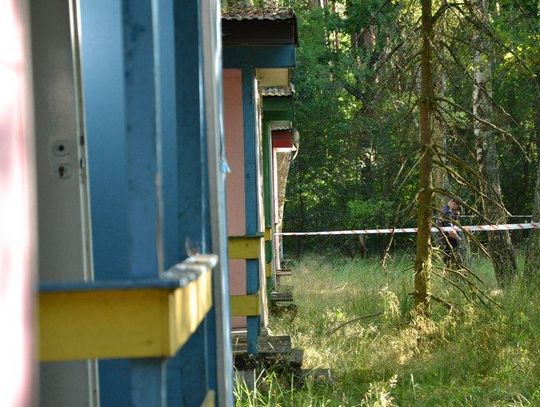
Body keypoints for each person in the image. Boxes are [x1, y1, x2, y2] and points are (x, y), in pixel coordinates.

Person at [438, 198, 462, 269]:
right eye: (456, 205)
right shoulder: (447, 212)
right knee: (450, 265)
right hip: (449, 242)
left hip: (447, 241)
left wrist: (455, 216)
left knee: (450, 265)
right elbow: (451, 231)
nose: (456, 208)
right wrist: (460, 239)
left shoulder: (446, 210)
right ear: (453, 203)